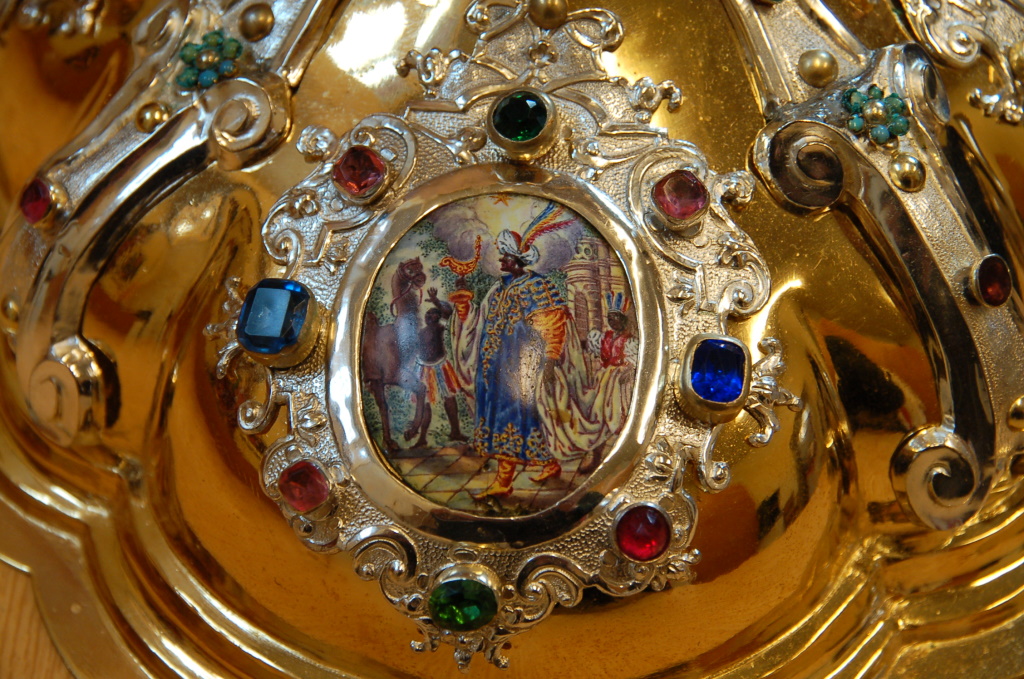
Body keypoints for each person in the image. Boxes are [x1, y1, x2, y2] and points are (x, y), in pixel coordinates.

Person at [450, 227, 572, 498]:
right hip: (492, 368)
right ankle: (549, 463)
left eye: (505, 256)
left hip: (520, 367)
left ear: (517, 260)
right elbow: (481, 321)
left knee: (512, 418)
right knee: (517, 418)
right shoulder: (498, 288)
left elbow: (552, 324)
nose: (500, 260)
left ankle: (503, 482)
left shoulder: (537, 286)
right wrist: (464, 309)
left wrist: (550, 361)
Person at [405, 288, 466, 447]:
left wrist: (436, 301)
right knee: (424, 403)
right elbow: (414, 350)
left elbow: (449, 314)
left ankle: (455, 431)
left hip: (441, 366)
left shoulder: (440, 327)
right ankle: (422, 438)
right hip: (423, 368)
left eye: (433, 314)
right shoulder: (421, 332)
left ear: (438, 317)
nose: (429, 316)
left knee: (449, 398)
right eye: (427, 314)